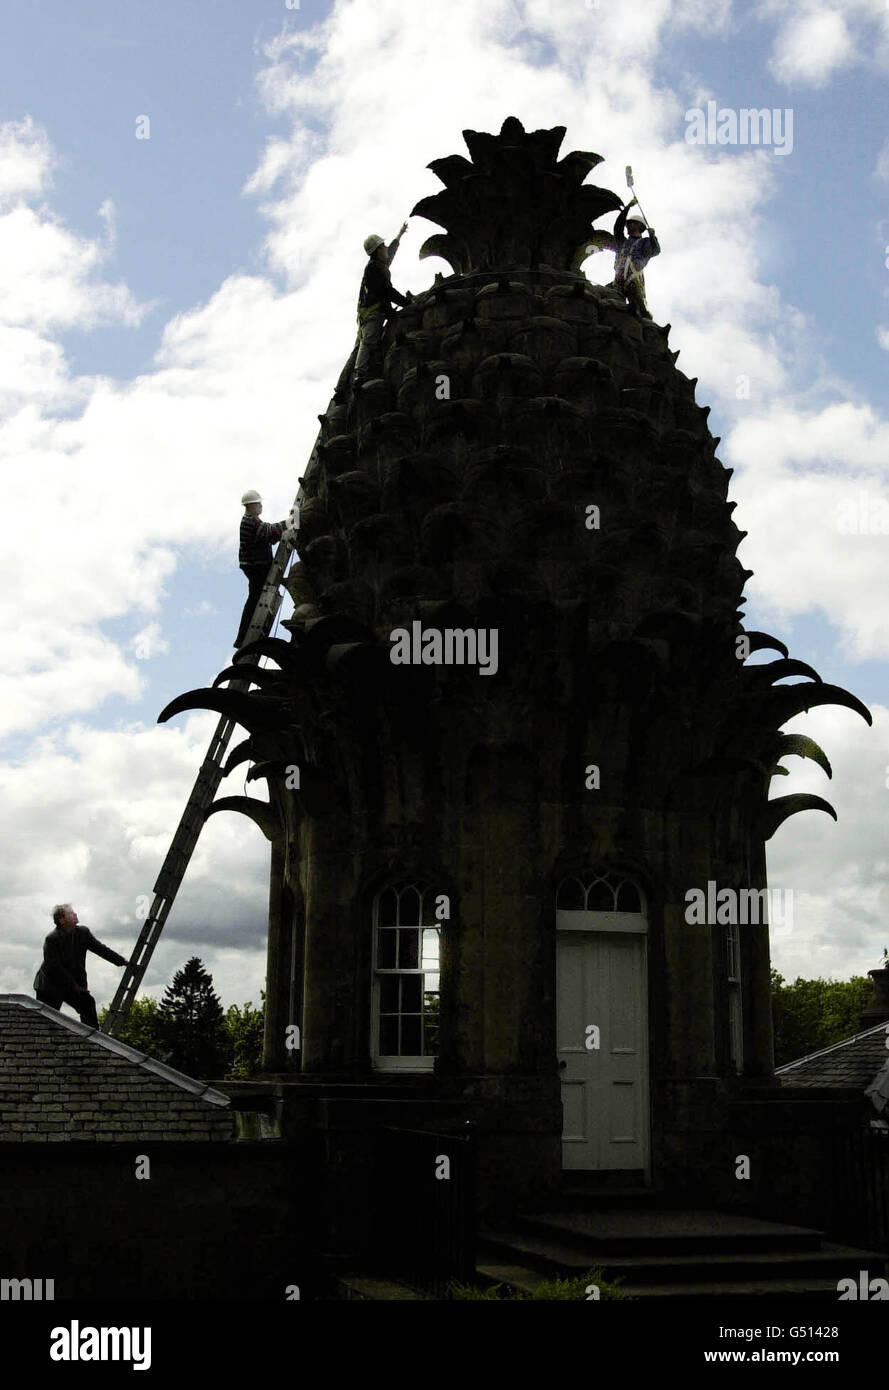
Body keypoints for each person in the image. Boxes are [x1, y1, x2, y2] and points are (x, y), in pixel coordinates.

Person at [33, 905, 128, 1028]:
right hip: (50, 985)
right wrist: (75, 986)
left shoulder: (83, 933)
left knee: (87, 1003)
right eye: (71, 913)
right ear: (62, 920)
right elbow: (54, 968)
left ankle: (93, 1042)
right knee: (47, 1022)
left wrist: (122, 961)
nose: (75, 914)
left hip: (72, 983)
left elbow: (100, 949)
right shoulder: (52, 939)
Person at [352, 224, 412, 386]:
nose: (386, 248)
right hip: (371, 314)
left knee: (367, 344)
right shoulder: (373, 269)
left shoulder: (379, 265)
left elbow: (390, 252)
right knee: (369, 340)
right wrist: (407, 303)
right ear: (378, 250)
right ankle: (360, 374)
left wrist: (399, 236)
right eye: (383, 246)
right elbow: (386, 292)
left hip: (376, 311)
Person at [235, 490, 290, 649]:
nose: (261, 506)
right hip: (255, 566)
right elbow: (269, 531)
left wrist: (284, 527)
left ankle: (242, 636)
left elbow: (269, 535)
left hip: (255, 565)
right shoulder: (249, 522)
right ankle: (244, 636)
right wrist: (291, 522)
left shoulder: (253, 520)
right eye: (258, 503)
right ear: (251, 506)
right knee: (255, 599)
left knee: (255, 597)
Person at [611, 197, 660, 320]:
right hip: (618, 281)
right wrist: (627, 207)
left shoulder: (645, 243)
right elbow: (618, 227)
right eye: (628, 224)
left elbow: (655, 251)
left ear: (639, 225)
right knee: (604, 299)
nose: (628, 226)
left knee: (640, 314)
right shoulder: (622, 242)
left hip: (633, 282)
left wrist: (653, 238)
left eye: (631, 223)